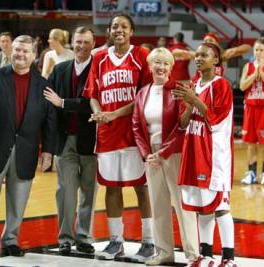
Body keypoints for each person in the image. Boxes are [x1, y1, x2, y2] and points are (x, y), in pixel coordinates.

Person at [0, 35, 57, 261]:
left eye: (25, 51)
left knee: (18, 200)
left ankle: (11, 240)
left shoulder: (43, 85)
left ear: (34, 55)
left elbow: (49, 121)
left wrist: (47, 151)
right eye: (17, 50)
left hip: (25, 150)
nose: (20, 55)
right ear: (10, 51)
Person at [82, 14, 155, 262]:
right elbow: (92, 93)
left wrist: (113, 113)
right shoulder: (99, 58)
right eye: (115, 27)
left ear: (132, 31)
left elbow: (144, 96)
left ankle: (149, 241)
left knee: (141, 186)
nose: (119, 30)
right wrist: (99, 114)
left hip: (134, 133)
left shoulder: (142, 56)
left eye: (124, 26)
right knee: (111, 186)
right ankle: (116, 241)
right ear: (109, 31)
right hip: (107, 134)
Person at [172, 42, 237, 267]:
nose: (198, 58)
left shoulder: (222, 86)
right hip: (194, 152)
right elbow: (182, 123)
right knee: (202, 207)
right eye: (197, 55)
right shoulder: (193, 84)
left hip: (215, 156)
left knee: (220, 207)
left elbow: (216, 120)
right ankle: (206, 255)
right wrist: (189, 104)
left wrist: (194, 99)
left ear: (216, 60)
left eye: (204, 55)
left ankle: (229, 258)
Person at [132, 47, 199, 265]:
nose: (161, 67)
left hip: (175, 152)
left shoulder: (179, 89)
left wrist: (163, 152)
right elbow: (136, 126)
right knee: (158, 204)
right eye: (157, 63)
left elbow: (182, 127)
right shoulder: (143, 92)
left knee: (182, 204)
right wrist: (146, 153)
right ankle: (164, 253)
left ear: (171, 68)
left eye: (165, 63)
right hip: (151, 154)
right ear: (150, 66)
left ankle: (192, 254)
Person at [43, 26, 97, 255]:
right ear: (71, 43)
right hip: (64, 140)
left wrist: (63, 102)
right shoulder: (60, 69)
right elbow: (49, 106)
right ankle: (65, 237)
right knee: (64, 190)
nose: (81, 46)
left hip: (92, 141)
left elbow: (92, 104)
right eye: (78, 41)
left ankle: (84, 236)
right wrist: (48, 143)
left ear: (93, 44)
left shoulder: (100, 69)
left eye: (86, 42)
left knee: (88, 191)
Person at [239, 37, 264, 185]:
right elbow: (242, 86)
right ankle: (252, 173)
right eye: (256, 49)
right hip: (250, 109)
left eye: (261, 50)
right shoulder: (248, 67)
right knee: (251, 143)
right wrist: (254, 74)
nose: (258, 52)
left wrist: (261, 71)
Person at [172, 32, 251, 80]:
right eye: (205, 41)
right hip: (200, 87)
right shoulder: (199, 55)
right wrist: (178, 51)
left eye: (210, 40)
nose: (207, 42)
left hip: (216, 87)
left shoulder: (222, 55)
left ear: (216, 43)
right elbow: (177, 52)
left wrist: (233, 50)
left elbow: (247, 47)